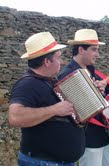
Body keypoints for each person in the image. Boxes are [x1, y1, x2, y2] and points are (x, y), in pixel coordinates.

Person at [8, 32, 85, 166]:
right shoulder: (27, 84)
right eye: (58, 58)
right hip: (41, 162)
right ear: (47, 61)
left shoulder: (50, 81)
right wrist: (54, 110)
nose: (62, 62)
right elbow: (15, 117)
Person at [58, 29, 109, 166]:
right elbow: (75, 112)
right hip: (89, 140)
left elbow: (104, 100)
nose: (97, 54)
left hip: (105, 135)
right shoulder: (67, 75)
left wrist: (101, 91)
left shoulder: (91, 70)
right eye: (94, 50)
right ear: (81, 50)